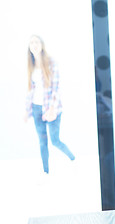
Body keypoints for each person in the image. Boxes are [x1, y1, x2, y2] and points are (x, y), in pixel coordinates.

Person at [25, 35, 75, 175]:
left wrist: (52, 108)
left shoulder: (51, 62)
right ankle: (46, 172)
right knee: (42, 142)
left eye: (36, 42)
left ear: (41, 44)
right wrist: (26, 110)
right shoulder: (31, 65)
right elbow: (30, 89)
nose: (34, 44)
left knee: (55, 140)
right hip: (36, 108)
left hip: (52, 108)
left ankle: (73, 159)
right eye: (31, 43)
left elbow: (56, 88)